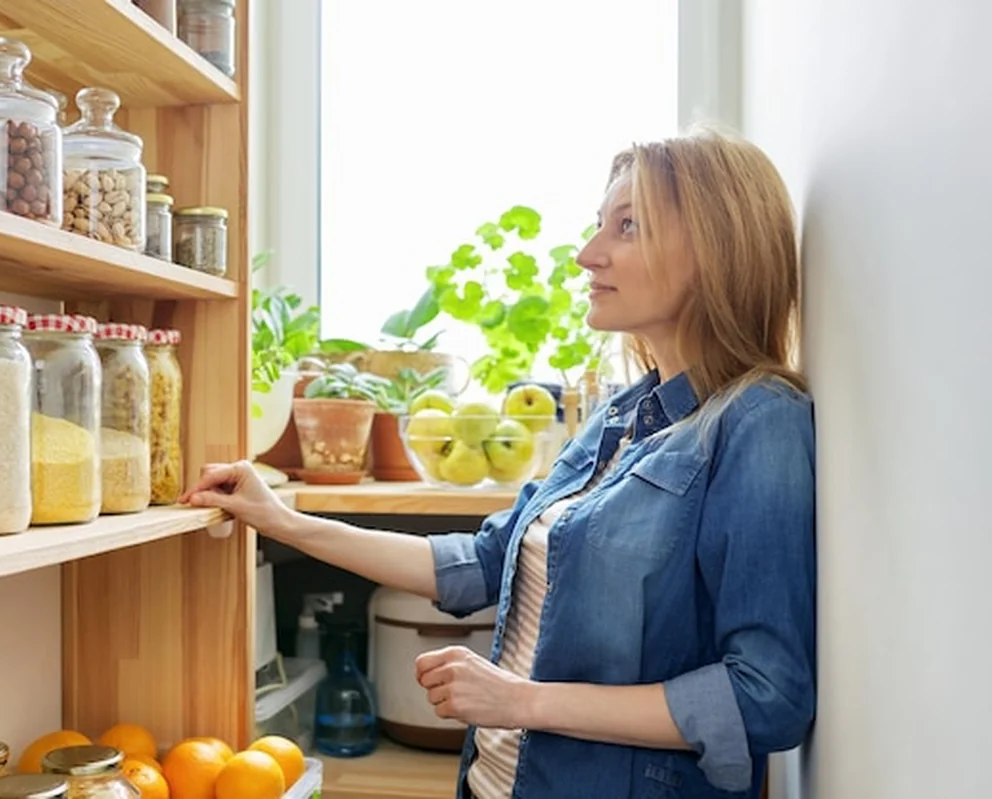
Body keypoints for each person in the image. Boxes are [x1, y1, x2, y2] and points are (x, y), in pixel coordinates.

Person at [181, 127, 816, 799]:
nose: (586, 255)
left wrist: (522, 700)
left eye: (628, 227)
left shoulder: (757, 422)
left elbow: (766, 696)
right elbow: (484, 560)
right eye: (599, 225)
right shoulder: (620, 416)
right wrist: (280, 520)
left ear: (717, 247)